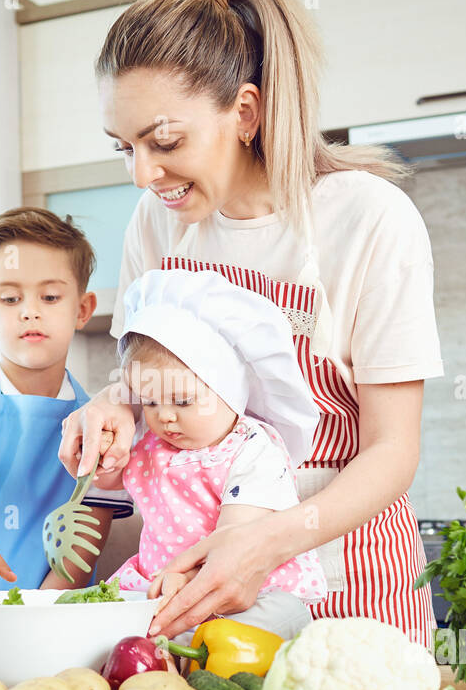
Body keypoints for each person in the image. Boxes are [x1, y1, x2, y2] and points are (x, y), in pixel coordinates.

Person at [61, 0, 443, 650]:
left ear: (245, 111)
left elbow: (394, 449)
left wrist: (267, 542)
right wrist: (117, 401)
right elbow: (143, 373)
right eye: (125, 148)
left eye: (165, 142)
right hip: (196, 592)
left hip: (345, 580)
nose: (143, 175)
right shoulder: (155, 224)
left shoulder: (368, 219)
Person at [100, 269, 325, 640]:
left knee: (257, 624)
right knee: (108, 629)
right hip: (162, 589)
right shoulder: (152, 448)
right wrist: (103, 459)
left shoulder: (253, 449)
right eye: (150, 401)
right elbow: (112, 483)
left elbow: (236, 534)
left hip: (248, 592)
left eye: (183, 401)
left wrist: (188, 580)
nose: (164, 415)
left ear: (231, 392)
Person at [0, 208, 132, 604]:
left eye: (50, 296)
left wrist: (33, 613)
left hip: (53, 613)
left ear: (82, 309)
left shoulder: (101, 426)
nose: (29, 310)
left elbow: (86, 545)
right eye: (10, 298)